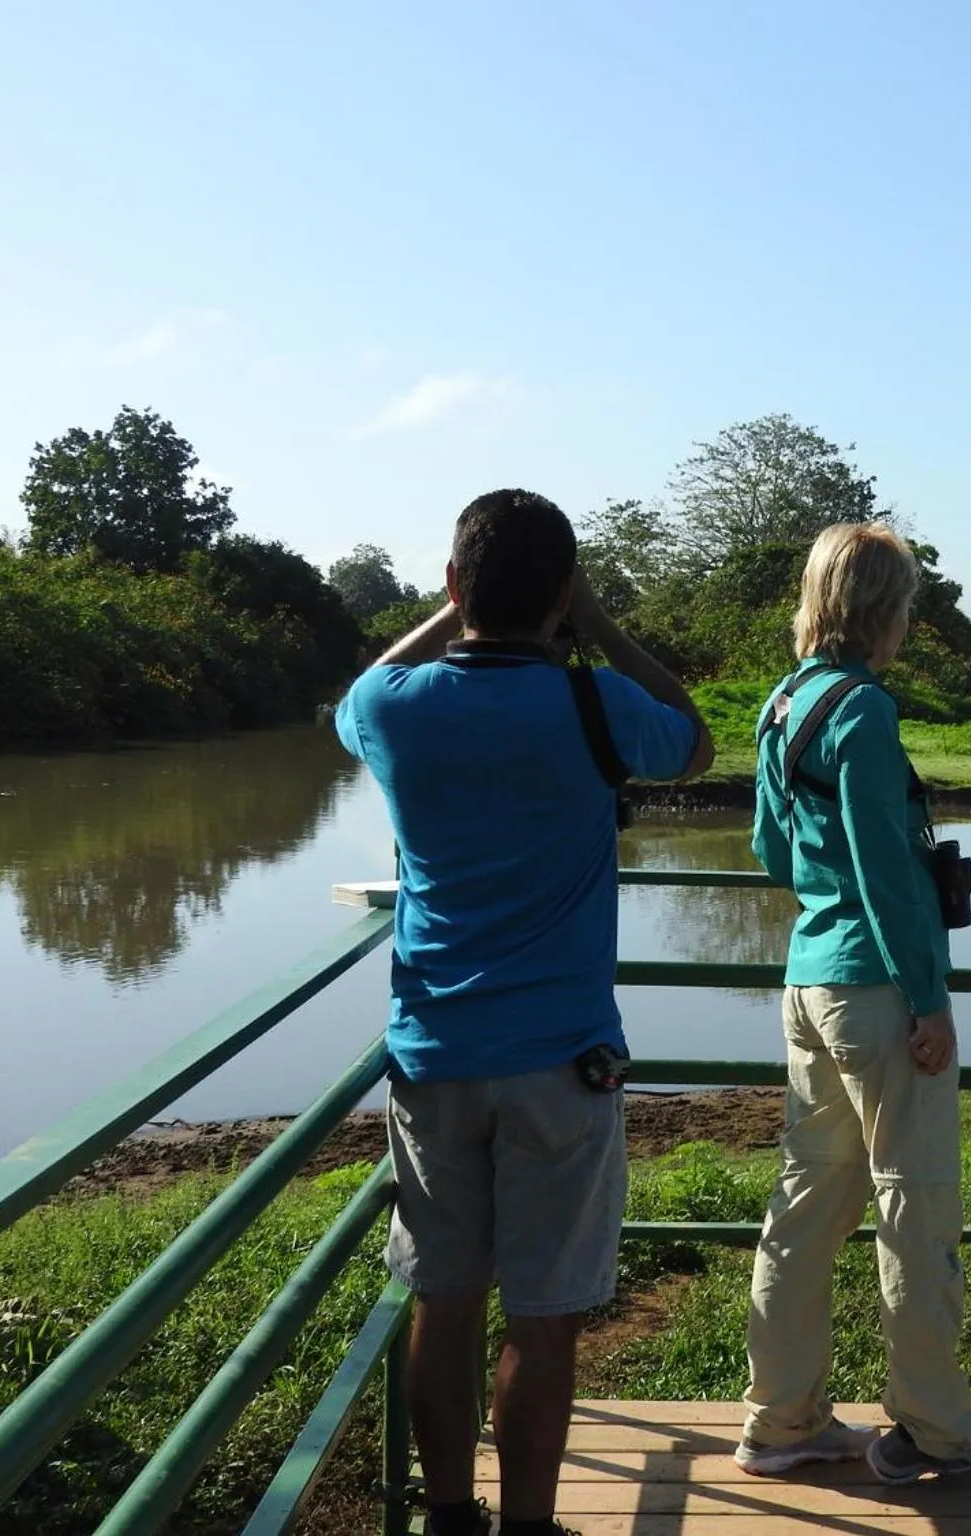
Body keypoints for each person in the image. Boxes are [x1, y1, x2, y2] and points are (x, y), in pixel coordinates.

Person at [336, 489, 714, 1536]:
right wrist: (592, 624)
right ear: (560, 592)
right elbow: (693, 741)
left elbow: (355, 687)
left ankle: (449, 1516)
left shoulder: (394, 708)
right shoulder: (595, 707)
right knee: (543, 1316)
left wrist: (448, 611)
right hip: (562, 1060)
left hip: (435, 1053)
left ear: (457, 588)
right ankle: (529, 1526)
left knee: (442, 1300)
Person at [736, 521, 971, 1487]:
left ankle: (781, 1420)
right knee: (914, 1203)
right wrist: (929, 1000)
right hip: (881, 990)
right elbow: (890, 873)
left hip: (810, 978)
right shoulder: (865, 712)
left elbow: (771, 846)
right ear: (886, 611)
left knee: (807, 1204)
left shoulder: (783, 703)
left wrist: (826, 890)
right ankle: (933, 1430)